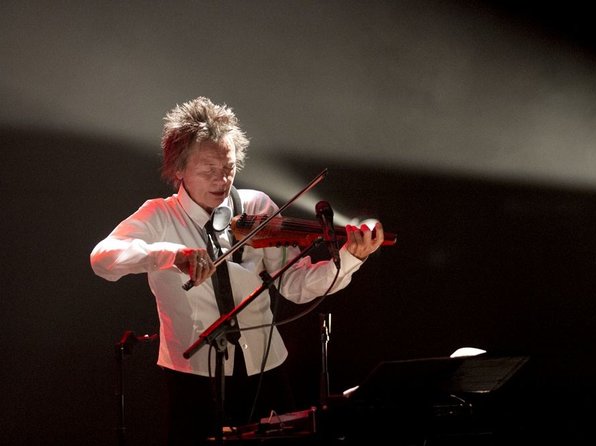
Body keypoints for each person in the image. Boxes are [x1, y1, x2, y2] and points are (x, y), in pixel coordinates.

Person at [90, 96, 384, 445]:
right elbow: (103, 259)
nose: (222, 180)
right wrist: (171, 255)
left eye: (228, 168)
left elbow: (294, 285)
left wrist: (350, 258)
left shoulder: (257, 207)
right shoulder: (159, 216)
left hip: (266, 369)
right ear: (179, 169)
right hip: (193, 378)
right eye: (208, 170)